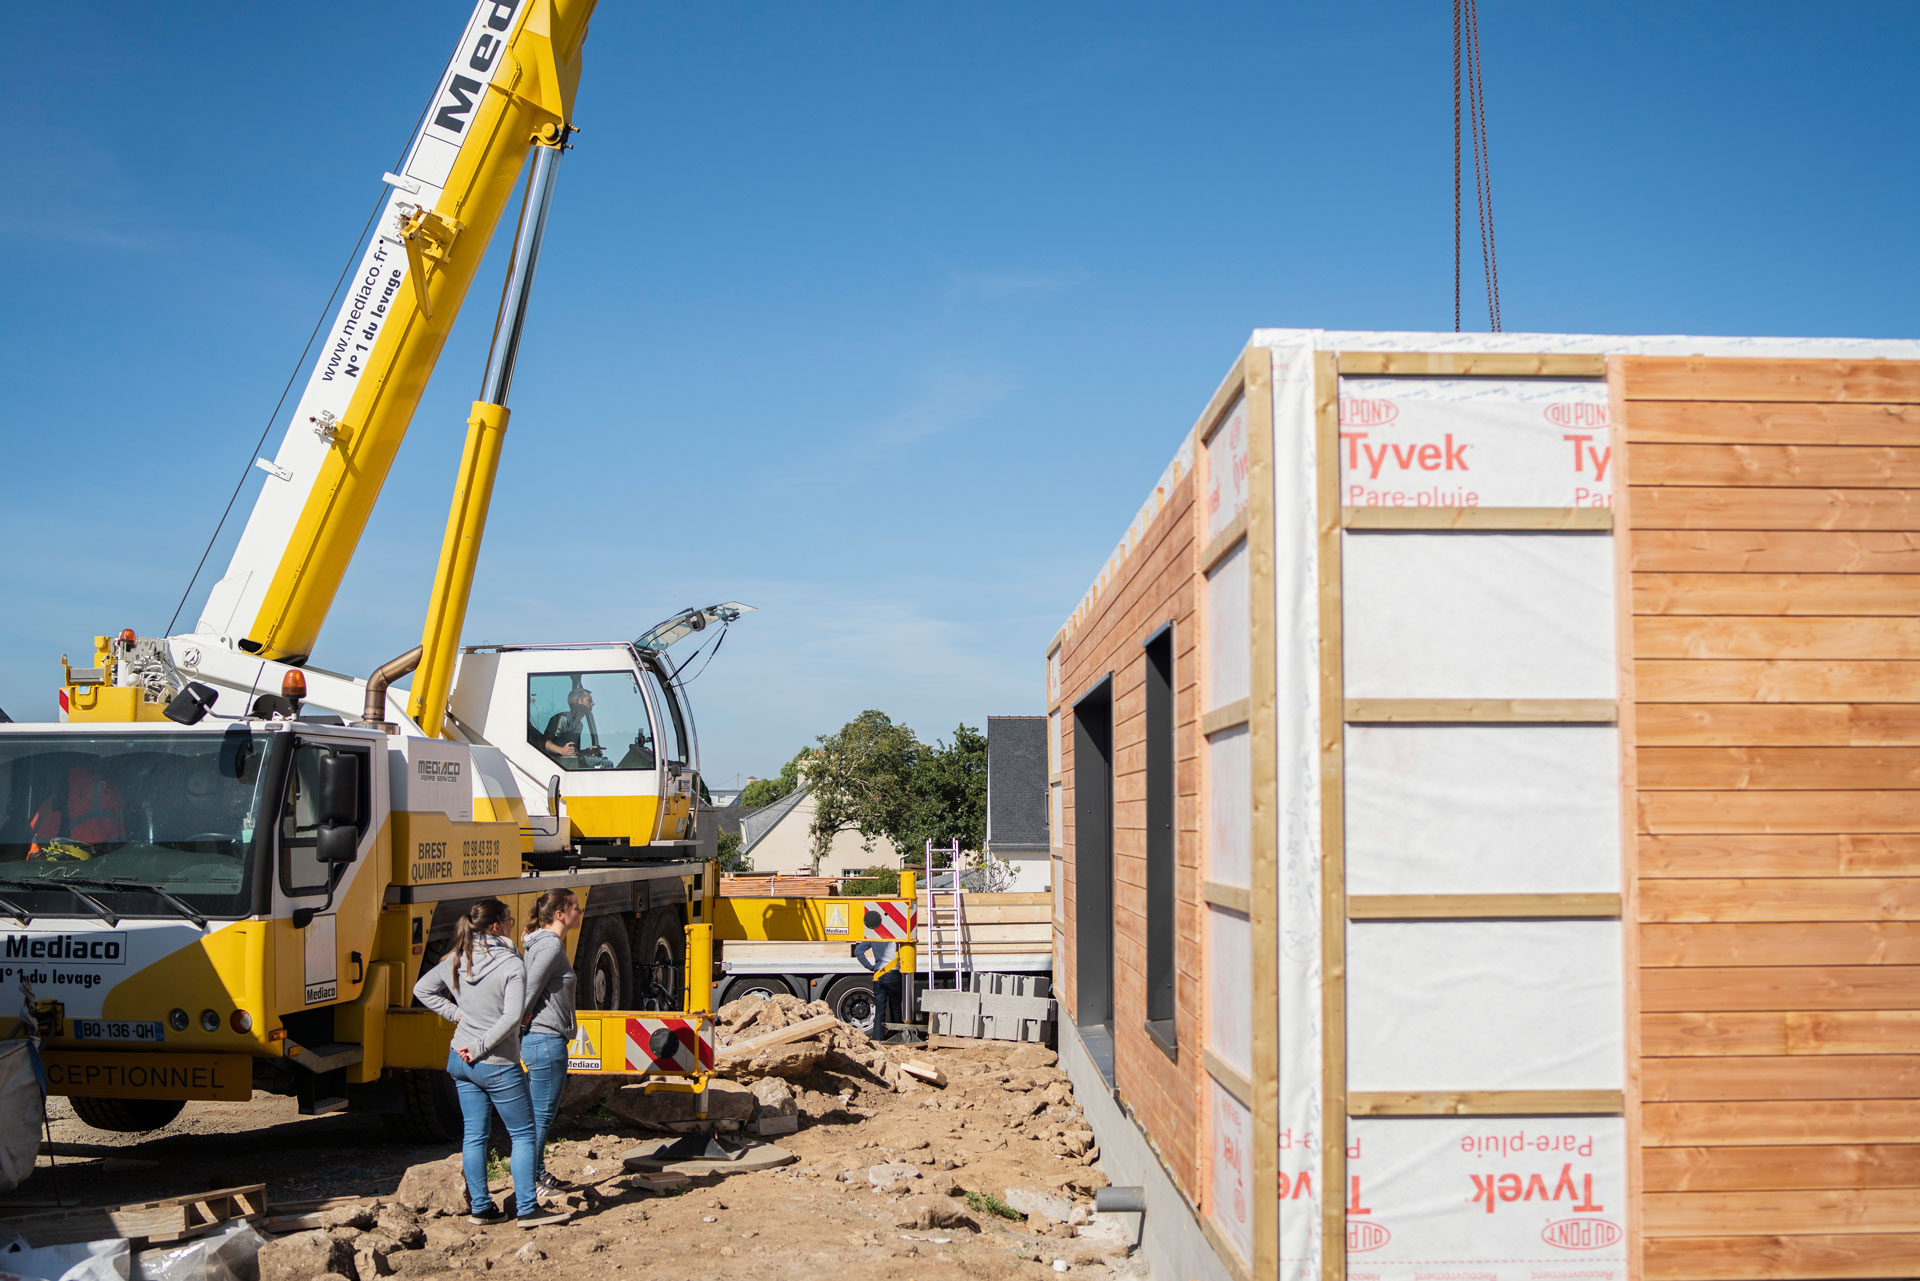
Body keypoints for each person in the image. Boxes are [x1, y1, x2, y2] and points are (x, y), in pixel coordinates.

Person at [412, 899, 569, 1228]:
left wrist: (459, 1016)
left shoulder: (459, 957)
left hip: (460, 1058)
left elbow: (422, 989)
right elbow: (512, 1017)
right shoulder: (511, 964)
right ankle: (527, 1208)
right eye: (509, 920)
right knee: (524, 1134)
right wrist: (482, 1044)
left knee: (474, 1134)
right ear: (497, 926)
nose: (513, 924)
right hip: (495, 1061)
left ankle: (481, 1208)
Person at [521, 888, 581, 1200]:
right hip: (545, 1039)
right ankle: (532, 1181)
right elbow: (529, 988)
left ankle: (536, 1172)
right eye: (575, 908)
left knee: (538, 1113)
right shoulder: (549, 947)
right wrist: (521, 1020)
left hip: (543, 1038)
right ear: (559, 914)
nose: (579, 913)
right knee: (541, 1115)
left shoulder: (546, 944)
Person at [853, 910, 903, 1043]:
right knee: (896, 1009)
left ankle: (878, 1040)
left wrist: (870, 967)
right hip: (894, 974)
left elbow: (858, 951)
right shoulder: (897, 935)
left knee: (880, 1010)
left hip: (879, 974)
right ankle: (897, 1038)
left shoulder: (874, 936)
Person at [540, 689, 597, 766]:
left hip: (569, 762)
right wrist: (561, 750)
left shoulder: (579, 725)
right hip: (554, 763)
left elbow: (571, 752)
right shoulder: (561, 719)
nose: (593, 703)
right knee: (607, 764)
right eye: (589, 700)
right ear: (577, 701)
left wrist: (586, 752)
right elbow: (544, 742)